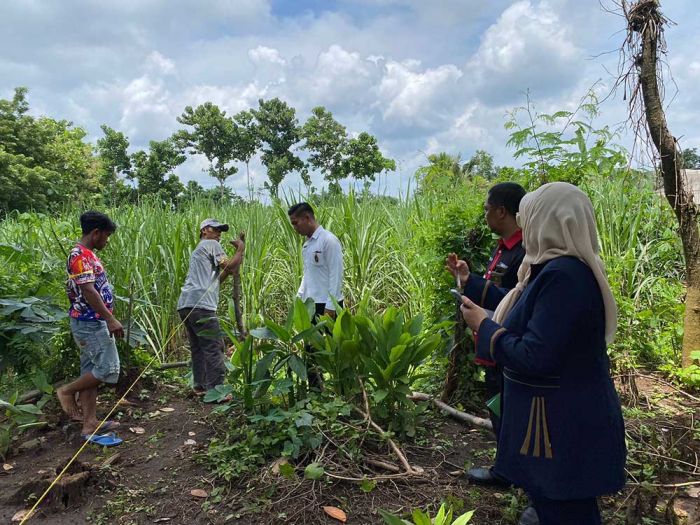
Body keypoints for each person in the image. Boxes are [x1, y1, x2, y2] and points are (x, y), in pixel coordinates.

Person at [458, 182, 626, 525]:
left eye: (529, 218)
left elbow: (535, 355)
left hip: (559, 428)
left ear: (546, 221)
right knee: (563, 509)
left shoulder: (564, 277)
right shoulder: (555, 271)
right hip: (559, 422)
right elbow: (519, 310)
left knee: (566, 510)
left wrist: (484, 326)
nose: (525, 227)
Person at [445, 182, 526, 486]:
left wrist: (477, 290)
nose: (485, 214)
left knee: (509, 409)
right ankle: (507, 467)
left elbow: (514, 300)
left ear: (501, 211)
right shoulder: (505, 247)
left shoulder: (525, 251)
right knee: (498, 406)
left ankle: (513, 473)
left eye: (487, 209)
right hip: (492, 343)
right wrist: (468, 278)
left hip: (507, 342)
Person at [57, 211, 124, 442]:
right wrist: (110, 319)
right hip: (90, 323)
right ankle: (67, 391)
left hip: (92, 321)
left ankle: (89, 423)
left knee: (90, 371)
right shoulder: (79, 256)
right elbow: (88, 290)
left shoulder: (87, 255)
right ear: (96, 233)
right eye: (106, 235)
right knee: (108, 368)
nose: (107, 240)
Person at [177, 218, 244, 395]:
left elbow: (217, 280)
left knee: (198, 347)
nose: (219, 233)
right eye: (216, 229)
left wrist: (231, 268)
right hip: (201, 306)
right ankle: (217, 391)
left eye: (220, 230)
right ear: (205, 230)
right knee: (214, 347)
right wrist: (240, 249)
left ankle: (200, 386)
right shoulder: (211, 244)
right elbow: (229, 267)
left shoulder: (199, 249)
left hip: (185, 304)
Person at [288, 202, 344, 386]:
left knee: (332, 352)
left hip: (327, 306)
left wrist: (330, 306)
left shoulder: (328, 240)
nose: (294, 228)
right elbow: (308, 274)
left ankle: (339, 391)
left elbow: (336, 275)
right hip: (311, 305)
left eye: (296, 223)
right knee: (311, 351)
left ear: (307, 218)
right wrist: (299, 298)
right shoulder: (307, 244)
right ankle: (316, 393)